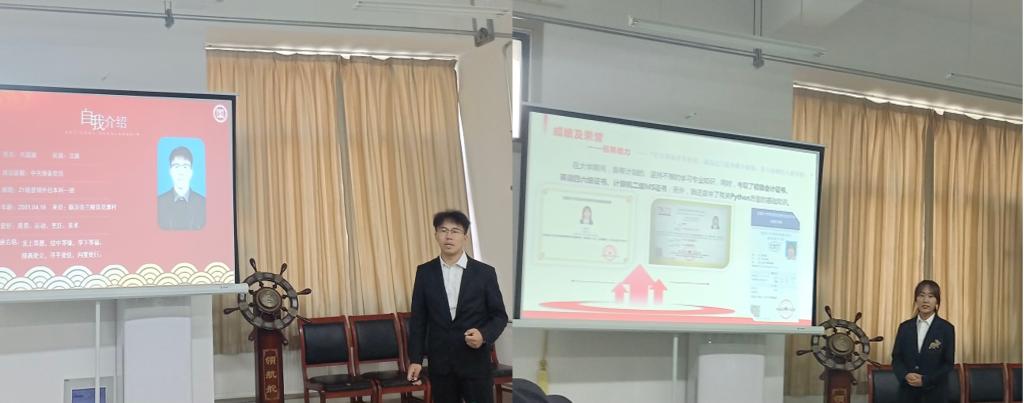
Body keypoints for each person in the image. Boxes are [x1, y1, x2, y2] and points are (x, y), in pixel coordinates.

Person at [406, 210, 508, 403]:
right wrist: (416, 360)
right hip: (441, 364)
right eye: (443, 230)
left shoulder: (484, 273)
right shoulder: (425, 272)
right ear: (436, 235)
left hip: (475, 362)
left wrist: (484, 335)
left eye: (455, 231)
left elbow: (499, 316)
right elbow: (419, 320)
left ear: (465, 237)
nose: (449, 236)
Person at [891, 280, 955, 403]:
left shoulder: (946, 328)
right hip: (907, 393)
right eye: (921, 295)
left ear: (937, 301)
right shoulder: (904, 327)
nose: (925, 300)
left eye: (930, 296)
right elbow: (896, 358)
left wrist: (926, 380)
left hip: (935, 394)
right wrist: (905, 375)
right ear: (916, 299)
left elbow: (948, 364)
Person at [157, 146, 206, 230]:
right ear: (170, 171)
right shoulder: (158, 203)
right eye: (176, 167)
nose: (181, 172)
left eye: (185, 167)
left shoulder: (204, 204)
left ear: (191, 172)